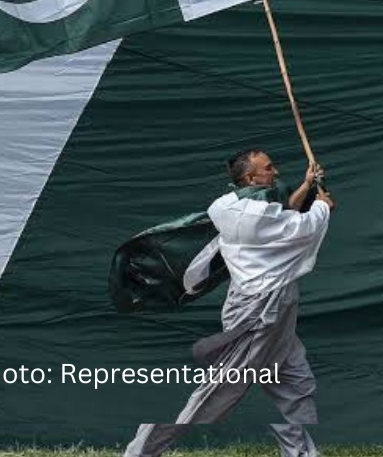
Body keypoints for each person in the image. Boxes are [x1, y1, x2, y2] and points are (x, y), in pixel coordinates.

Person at [124, 149, 335, 457]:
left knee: (295, 383)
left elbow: (282, 213)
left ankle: (301, 453)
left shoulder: (225, 205)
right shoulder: (253, 216)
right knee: (216, 395)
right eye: (268, 168)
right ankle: (140, 452)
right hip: (259, 313)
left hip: (273, 307)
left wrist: (306, 185)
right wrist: (321, 205)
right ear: (251, 177)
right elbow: (300, 227)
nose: (275, 173)